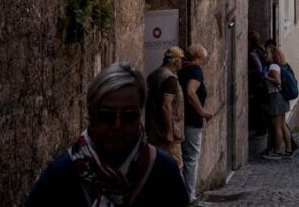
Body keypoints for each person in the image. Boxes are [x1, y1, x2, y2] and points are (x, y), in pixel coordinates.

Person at [26, 61, 189, 205]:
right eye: (107, 115)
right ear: (91, 112)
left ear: (140, 114)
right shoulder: (62, 175)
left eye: (128, 116)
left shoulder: (162, 172)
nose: (117, 126)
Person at [179, 43, 213, 204]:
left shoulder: (181, 70)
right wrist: (202, 112)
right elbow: (190, 91)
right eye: (203, 59)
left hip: (180, 120)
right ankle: (189, 195)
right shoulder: (195, 71)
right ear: (198, 58)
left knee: (181, 158)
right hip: (192, 120)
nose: (203, 62)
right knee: (191, 158)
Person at [146, 46, 185, 170]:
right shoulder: (169, 79)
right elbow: (166, 105)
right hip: (167, 135)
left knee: (157, 168)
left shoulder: (154, 75)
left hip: (154, 132)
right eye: (181, 60)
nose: (182, 63)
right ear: (176, 61)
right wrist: (169, 132)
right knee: (175, 167)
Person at [263, 43, 294, 159]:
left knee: (277, 126)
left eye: (267, 53)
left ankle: (277, 151)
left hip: (276, 97)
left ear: (273, 55)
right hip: (282, 96)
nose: (265, 55)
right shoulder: (277, 66)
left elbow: (277, 81)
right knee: (282, 124)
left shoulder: (272, 67)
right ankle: (289, 149)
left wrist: (265, 76)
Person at [247, 30, 269, 138]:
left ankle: (260, 129)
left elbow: (259, 68)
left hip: (258, 82)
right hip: (262, 81)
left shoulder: (253, 52)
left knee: (257, 106)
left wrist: (249, 72)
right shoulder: (261, 48)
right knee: (260, 106)